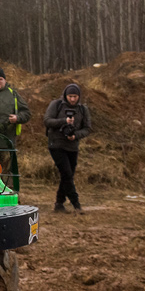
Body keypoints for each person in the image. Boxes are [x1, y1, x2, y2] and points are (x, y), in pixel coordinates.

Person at [44, 82, 93, 213]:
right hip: (56, 144)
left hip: (72, 146)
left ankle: (59, 204)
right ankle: (76, 204)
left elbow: (87, 128)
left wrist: (75, 135)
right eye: (70, 96)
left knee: (67, 176)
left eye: (75, 96)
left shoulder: (83, 109)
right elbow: (47, 120)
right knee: (67, 173)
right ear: (66, 95)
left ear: (79, 97)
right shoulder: (56, 105)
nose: (72, 99)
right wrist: (64, 121)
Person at [0, 68, 30, 191]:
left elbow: (26, 112)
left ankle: (7, 196)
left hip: (7, 142)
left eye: (0, 79)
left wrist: (17, 117)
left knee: (5, 172)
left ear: (5, 80)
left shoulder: (13, 94)